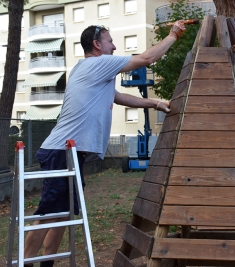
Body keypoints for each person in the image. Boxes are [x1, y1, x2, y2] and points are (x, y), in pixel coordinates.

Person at [23, 21, 186, 267]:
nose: (114, 46)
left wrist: (154, 103)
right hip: (60, 150)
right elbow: (145, 59)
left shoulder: (90, 70)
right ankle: (24, 262)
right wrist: (173, 35)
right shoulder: (97, 63)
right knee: (49, 215)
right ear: (97, 45)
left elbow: (118, 97)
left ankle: (47, 264)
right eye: (110, 41)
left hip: (69, 151)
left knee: (64, 214)